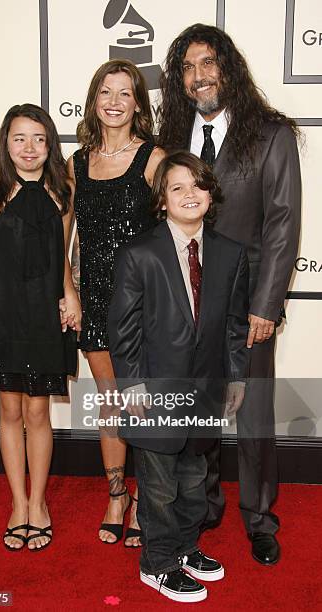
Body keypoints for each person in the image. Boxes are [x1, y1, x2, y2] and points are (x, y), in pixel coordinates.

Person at [158, 23, 301, 564]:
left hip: (250, 303)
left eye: (208, 63)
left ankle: (260, 516)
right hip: (188, 297)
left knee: (255, 410)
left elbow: (283, 224)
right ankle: (206, 502)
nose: (199, 77)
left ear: (229, 68)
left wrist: (266, 305)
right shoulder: (171, 135)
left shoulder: (270, 134)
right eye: (188, 68)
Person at [108, 151, 249, 603]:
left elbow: (234, 325)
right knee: (159, 486)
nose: (190, 194)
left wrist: (237, 380)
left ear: (211, 193)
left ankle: (185, 548)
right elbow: (123, 327)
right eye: (177, 187)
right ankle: (158, 562)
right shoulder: (139, 253)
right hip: (153, 391)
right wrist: (130, 383)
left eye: (198, 185)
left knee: (194, 481)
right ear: (162, 201)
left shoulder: (230, 254)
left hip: (205, 391)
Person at [0, 103, 81, 551]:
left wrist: (70, 295)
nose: (29, 148)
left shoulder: (63, 194)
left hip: (45, 316)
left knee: (38, 413)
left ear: (50, 143)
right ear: (6, 144)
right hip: (4, 317)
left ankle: (39, 504)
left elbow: (63, 261)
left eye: (39, 138)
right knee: (10, 411)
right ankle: (18, 503)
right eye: (19, 138)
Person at [66, 59, 164, 547]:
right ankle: (116, 496)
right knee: (110, 404)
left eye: (125, 93)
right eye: (106, 91)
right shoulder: (76, 163)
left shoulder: (153, 158)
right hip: (96, 299)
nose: (114, 101)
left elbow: (180, 225)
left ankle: (147, 500)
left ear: (138, 104)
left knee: (139, 405)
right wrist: (69, 293)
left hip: (143, 302)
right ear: (94, 99)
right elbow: (63, 239)